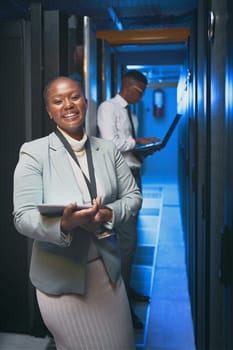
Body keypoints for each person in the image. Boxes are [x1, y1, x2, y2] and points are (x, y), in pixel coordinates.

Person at [13, 76, 143, 350]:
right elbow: (22, 217)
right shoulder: (34, 153)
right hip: (60, 280)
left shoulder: (107, 150)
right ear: (49, 111)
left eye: (74, 97)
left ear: (85, 102)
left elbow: (133, 197)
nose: (68, 105)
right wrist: (63, 224)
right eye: (57, 101)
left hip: (108, 274)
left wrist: (106, 213)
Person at [97, 69, 160, 329]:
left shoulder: (130, 114)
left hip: (134, 174)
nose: (142, 96)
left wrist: (143, 150)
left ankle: (126, 285)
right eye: (141, 91)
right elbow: (111, 143)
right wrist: (138, 141)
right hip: (120, 180)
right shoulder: (108, 108)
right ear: (129, 86)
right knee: (126, 239)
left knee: (130, 241)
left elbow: (129, 148)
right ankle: (119, 305)